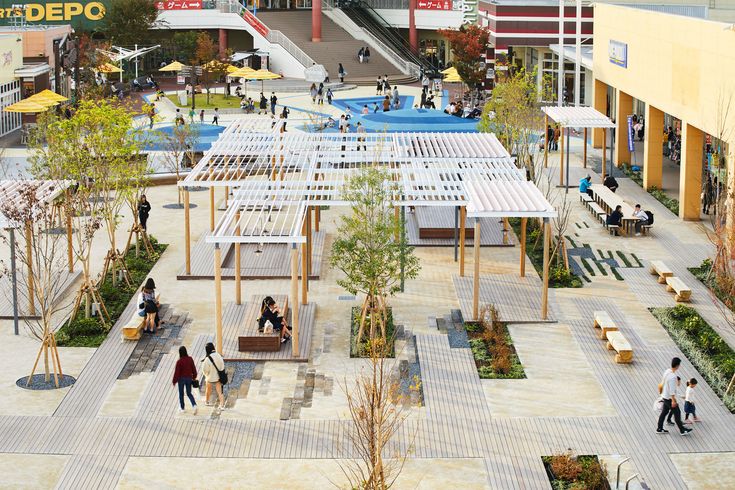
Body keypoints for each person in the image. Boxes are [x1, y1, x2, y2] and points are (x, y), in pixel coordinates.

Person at [657, 357, 692, 435]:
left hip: (664, 396)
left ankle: (659, 428)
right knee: (677, 413)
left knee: (664, 412)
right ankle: (682, 430)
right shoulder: (673, 377)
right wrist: (673, 400)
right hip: (669, 398)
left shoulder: (667, 371)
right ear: (677, 366)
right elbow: (672, 391)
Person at [172, 346, 198, 414]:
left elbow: (177, 372)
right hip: (189, 378)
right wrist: (194, 376)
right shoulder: (190, 359)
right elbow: (193, 368)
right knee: (189, 393)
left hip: (181, 379)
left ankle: (182, 408)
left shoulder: (179, 361)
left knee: (181, 394)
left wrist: (174, 381)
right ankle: (194, 405)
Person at [202, 342, 226, 409]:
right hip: (218, 377)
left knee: (208, 389)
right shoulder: (218, 355)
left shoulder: (207, 359)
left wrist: (207, 375)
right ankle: (222, 405)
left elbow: (204, 370)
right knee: (220, 392)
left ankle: (207, 401)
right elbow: (222, 366)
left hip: (210, 378)